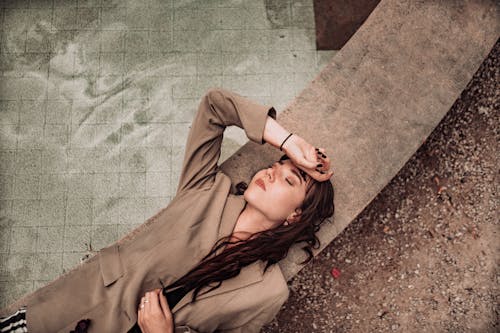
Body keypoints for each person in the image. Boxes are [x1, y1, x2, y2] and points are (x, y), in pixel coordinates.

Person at [0, 88, 334, 333]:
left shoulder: (267, 292)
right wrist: (289, 142)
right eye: (275, 166)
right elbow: (215, 107)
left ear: (296, 216)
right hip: (67, 312)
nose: (270, 172)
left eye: (288, 181)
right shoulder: (207, 190)